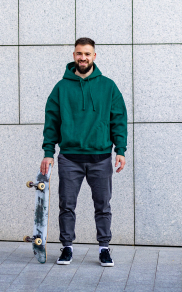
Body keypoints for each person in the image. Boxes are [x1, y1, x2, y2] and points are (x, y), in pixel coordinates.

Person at [40, 37, 128, 267]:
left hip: (100, 158)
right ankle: (67, 248)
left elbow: (118, 119)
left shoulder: (108, 86)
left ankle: (104, 248)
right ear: (74, 55)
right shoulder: (61, 88)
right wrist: (48, 151)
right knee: (66, 205)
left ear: (94, 56)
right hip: (70, 157)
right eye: (79, 53)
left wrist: (121, 150)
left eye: (87, 54)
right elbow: (52, 121)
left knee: (103, 205)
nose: (83, 58)